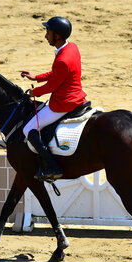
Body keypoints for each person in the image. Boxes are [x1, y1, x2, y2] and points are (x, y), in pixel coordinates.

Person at [20, 16, 87, 182]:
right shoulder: (72, 48)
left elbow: (52, 87)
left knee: (28, 129)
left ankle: (52, 166)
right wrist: (36, 77)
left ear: (57, 35)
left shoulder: (62, 59)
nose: (45, 36)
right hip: (77, 96)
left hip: (63, 103)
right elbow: (57, 75)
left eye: (47, 32)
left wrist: (34, 93)